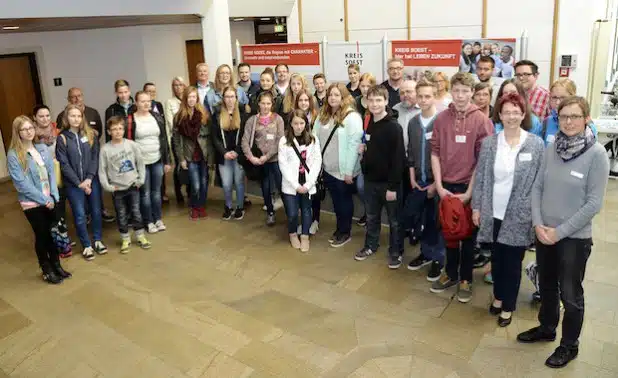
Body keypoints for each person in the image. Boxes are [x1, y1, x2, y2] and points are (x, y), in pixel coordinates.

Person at [517, 96, 610, 369]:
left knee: (570, 295)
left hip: (573, 238)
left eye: (575, 116)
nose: (569, 122)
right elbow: (537, 188)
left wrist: (559, 232)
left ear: (586, 119)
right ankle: (546, 328)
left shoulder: (597, 155)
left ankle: (569, 345)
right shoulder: (551, 148)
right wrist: (537, 223)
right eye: (564, 116)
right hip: (544, 232)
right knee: (546, 286)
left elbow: (594, 203)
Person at [471, 93, 544, 327]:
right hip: (494, 213)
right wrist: (476, 208)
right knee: (497, 260)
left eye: (516, 111)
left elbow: (540, 183)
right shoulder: (491, 143)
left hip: (519, 215)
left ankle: (507, 307)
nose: (511, 116)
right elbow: (481, 177)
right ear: (499, 115)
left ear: (524, 114)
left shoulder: (535, 143)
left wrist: (535, 215)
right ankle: (499, 298)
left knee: (512, 263)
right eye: (506, 112)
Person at [429, 72, 492, 303]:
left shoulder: (482, 121)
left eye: (465, 91)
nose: (461, 95)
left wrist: (470, 193)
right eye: (456, 90)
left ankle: (466, 278)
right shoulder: (441, 118)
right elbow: (434, 152)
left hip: (469, 187)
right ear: (450, 91)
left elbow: (482, 160)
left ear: (472, 93)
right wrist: (438, 185)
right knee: (449, 233)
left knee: (467, 236)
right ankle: (450, 273)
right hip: (445, 186)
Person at [7, 115, 71, 284]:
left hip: (50, 198)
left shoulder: (41, 148)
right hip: (32, 203)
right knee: (42, 235)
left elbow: (51, 172)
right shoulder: (14, 155)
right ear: (18, 132)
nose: (29, 132)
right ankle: (46, 268)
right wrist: (44, 199)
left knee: (53, 233)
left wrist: (54, 196)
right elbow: (21, 184)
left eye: (30, 128)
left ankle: (57, 265)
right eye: (24, 129)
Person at [354, 85, 405, 268]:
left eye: (378, 100)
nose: (374, 104)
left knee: (394, 221)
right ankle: (370, 246)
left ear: (386, 101)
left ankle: (396, 252)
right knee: (372, 217)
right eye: (371, 100)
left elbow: (398, 160)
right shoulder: (369, 123)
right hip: (371, 181)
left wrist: (392, 187)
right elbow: (373, 148)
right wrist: (364, 151)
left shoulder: (394, 127)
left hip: (389, 185)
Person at [313, 83, 363, 248]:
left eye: (336, 95)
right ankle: (340, 228)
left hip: (344, 171)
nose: (332, 98)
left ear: (343, 97)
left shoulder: (352, 117)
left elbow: (354, 146)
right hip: (328, 169)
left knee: (344, 202)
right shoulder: (324, 114)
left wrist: (349, 172)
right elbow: (315, 136)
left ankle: (345, 232)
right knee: (336, 202)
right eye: (330, 95)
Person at [56, 104, 108, 261]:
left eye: (78, 116)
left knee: (96, 211)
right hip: (74, 185)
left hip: (91, 181)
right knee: (79, 215)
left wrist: (89, 179)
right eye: (72, 116)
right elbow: (63, 164)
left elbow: (94, 158)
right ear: (66, 118)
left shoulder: (91, 134)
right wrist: (79, 183)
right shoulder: (62, 138)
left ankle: (98, 240)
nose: (76, 119)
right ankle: (86, 245)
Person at [404, 79, 444, 281]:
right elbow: (410, 152)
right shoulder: (413, 122)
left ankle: (438, 258)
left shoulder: (442, 122)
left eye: (428, 96)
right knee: (421, 219)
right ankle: (426, 253)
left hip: (436, 183)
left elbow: (445, 156)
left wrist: (436, 185)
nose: (423, 100)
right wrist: (412, 177)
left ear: (435, 96)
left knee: (436, 221)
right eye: (420, 96)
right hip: (418, 181)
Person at [57, 87, 114, 223]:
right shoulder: (61, 116)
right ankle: (86, 213)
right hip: (73, 160)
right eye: (73, 97)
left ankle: (99, 210)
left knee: (95, 187)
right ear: (68, 99)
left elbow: (98, 132)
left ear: (83, 96)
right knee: (79, 192)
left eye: (79, 96)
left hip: (90, 157)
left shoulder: (92, 112)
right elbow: (62, 134)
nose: (76, 99)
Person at [98, 116, 151, 253]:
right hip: (117, 189)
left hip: (133, 185)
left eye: (120, 128)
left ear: (124, 129)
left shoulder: (132, 145)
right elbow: (102, 170)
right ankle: (125, 239)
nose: (117, 132)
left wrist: (141, 179)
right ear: (109, 132)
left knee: (136, 212)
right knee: (121, 214)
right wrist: (107, 187)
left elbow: (140, 163)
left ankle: (140, 236)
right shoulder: (105, 149)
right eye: (114, 129)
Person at [278, 109, 322, 252]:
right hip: (291, 185)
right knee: (292, 213)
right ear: (290, 124)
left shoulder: (313, 139)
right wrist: (296, 185)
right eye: (295, 123)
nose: (299, 126)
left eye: (302, 123)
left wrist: (309, 184)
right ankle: (292, 234)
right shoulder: (284, 141)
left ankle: (305, 236)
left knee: (306, 211)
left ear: (306, 123)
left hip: (308, 182)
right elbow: (283, 165)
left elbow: (317, 161)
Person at [130, 91, 171, 233]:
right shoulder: (131, 120)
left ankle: (158, 219)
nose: (146, 103)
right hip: (141, 163)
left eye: (148, 101)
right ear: (136, 103)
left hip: (157, 159)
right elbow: (128, 143)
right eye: (142, 101)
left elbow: (164, 139)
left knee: (156, 192)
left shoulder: (157, 117)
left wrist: (167, 161)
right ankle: (148, 221)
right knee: (145, 194)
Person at [242, 91, 285, 226]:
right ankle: (270, 212)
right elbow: (245, 141)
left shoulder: (278, 119)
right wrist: (251, 157)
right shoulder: (252, 120)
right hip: (260, 161)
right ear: (258, 104)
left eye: (268, 103)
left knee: (282, 186)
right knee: (265, 188)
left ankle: (290, 211)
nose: (265, 106)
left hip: (276, 159)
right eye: (263, 103)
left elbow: (280, 140)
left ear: (272, 104)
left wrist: (267, 156)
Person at [174, 86, 212, 220]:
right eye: (189, 97)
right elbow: (177, 141)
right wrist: (181, 159)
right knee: (195, 185)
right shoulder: (179, 117)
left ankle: (201, 206)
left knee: (203, 183)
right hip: (190, 156)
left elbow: (209, 138)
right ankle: (194, 206)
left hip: (203, 154)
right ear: (185, 99)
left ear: (197, 99)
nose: (191, 99)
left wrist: (211, 158)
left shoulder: (203, 114)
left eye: (194, 97)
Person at [212, 86, 248, 220]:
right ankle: (228, 206)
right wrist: (224, 152)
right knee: (227, 184)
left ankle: (239, 207)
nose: (230, 100)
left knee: (238, 182)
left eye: (232, 97)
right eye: (227, 97)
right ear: (223, 99)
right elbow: (214, 137)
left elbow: (245, 136)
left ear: (236, 98)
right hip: (224, 156)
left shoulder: (243, 114)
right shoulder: (217, 115)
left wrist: (238, 152)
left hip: (238, 155)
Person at [294, 89, 321, 235]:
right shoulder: (293, 117)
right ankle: (304, 220)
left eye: (306, 100)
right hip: (298, 163)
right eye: (300, 100)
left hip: (313, 161)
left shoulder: (317, 117)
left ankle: (315, 220)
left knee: (314, 191)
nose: (303, 103)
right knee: (301, 193)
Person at [164, 76, 189, 204]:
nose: (178, 87)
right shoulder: (170, 102)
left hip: (189, 139)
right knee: (180, 163)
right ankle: (178, 191)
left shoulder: (188, 99)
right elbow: (170, 121)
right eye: (175, 85)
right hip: (176, 137)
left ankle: (189, 190)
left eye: (180, 84)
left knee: (189, 163)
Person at [393, 79, 421, 152]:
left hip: (418, 155)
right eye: (402, 93)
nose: (405, 95)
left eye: (408, 91)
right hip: (399, 155)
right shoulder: (395, 109)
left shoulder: (423, 109)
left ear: (417, 92)